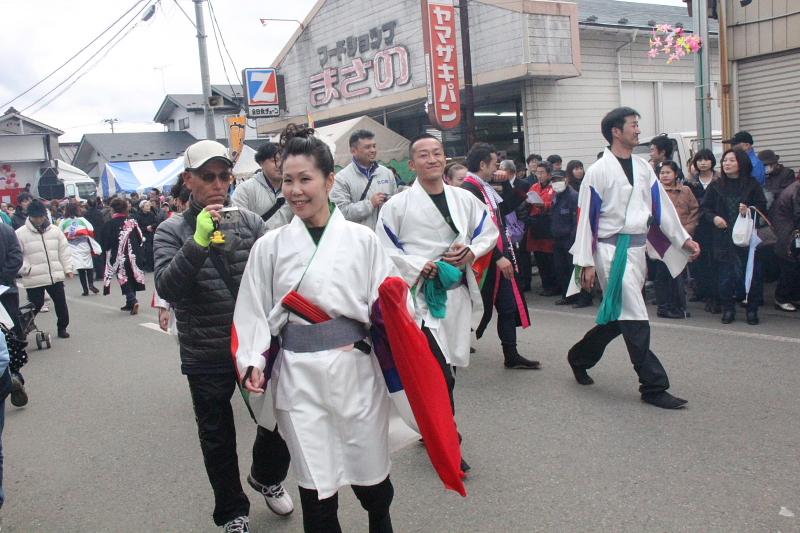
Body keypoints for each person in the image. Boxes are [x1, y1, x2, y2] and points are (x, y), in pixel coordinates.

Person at [234, 125, 406, 533]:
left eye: (305, 179)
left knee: (372, 483)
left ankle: (380, 519)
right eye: (287, 180)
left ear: (329, 180)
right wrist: (253, 360)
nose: (295, 190)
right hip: (298, 377)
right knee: (316, 492)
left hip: (356, 373)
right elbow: (252, 313)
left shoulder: (362, 240)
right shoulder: (270, 246)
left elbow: (391, 310)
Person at [154, 139, 293, 532]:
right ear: (189, 180)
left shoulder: (250, 222)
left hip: (255, 345)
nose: (218, 184)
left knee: (278, 420)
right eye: (207, 177)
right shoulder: (170, 230)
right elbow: (168, 287)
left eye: (223, 176)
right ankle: (232, 511)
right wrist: (197, 241)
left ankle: (266, 476)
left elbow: (276, 276)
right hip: (205, 350)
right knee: (216, 436)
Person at [376, 134, 501, 475]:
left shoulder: (464, 199)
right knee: (439, 374)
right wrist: (419, 265)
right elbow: (384, 249)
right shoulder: (396, 206)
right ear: (411, 164)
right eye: (422, 155)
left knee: (451, 369)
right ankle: (447, 441)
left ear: (445, 159)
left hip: (456, 294)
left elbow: (487, 231)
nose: (431, 159)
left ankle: (430, 424)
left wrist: (472, 251)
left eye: (437, 153)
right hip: (420, 299)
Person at [567, 107, 699, 410]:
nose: (639, 131)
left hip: (637, 250)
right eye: (634, 125)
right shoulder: (598, 172)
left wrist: (683, 238)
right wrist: (585, 261)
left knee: (619, 315)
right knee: (635, 313)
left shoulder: (642, 167)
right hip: (611, 251)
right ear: (616, 131)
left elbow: (662, 207)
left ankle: (579, 357)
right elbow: (585, 219)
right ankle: (653, 385)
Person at [461, 142, 540, 369]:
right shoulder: (469, 189)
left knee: (507, 306)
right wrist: (497, 256)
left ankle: (511, 354)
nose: (497, 167)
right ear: (483, 164)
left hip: (497, 255)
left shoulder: (484, 187)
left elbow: (505, 209)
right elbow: (473, 230)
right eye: (495, 163)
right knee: (470, 308)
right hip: (483, 260)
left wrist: (507, 183)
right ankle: (448, 349)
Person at [701, 148, 768, 325]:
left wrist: (749, 210)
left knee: (750, 273)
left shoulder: (752, 184)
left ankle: (752, 310)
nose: (727, 164)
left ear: (741, 163)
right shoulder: (716, 185)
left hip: (746, 237)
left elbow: (762, 207)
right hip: (723, 237)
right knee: (725, 276)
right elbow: (705, 209)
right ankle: (728, 308)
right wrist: (714, 218)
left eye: (731, 160)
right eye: (725, 160)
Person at [15, 200, 74, 339]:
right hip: (33, 275)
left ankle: (62, 328)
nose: (38, 219)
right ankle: (23, 328)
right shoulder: (20, 234)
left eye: (41, 216)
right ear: (29, 216)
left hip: (54, 274)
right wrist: (25, 269)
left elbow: (64, 250)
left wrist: (68, 268)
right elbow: (16, 255)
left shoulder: (55, 230)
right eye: (35, 216)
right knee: (35, 305)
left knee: (60, 303)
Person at [653, 161, 699, 319]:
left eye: (668, 172)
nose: (664, 175)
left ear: (676, 173)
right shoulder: (656, 191)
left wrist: (686, 232)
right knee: (663, 274)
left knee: (679, 273)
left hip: (683, 237)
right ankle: (663, 307)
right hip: (662, 240)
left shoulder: (686, 190)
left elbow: (694, 210)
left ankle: (679, 306)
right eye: (662, 172)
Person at [330, 129, 398, 229]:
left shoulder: (387, 173)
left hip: (387, 238)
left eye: (374, 146)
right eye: (367, 147)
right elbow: (341, 213)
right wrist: (370, 204)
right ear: (353, 151)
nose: (373, 150)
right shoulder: (341, 179)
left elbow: (396, 205)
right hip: (360, 240)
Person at [549, 171, 591, 307]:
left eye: (559, 180)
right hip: (558, 239)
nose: (556, 183)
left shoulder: (573, 196)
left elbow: (577, 220)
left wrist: (574, 238)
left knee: (576, 270)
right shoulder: (556, 196)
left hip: (571, 239)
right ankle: (568, 296)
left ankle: (584, 298)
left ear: (566, 180)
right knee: (562, 270)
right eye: (553, 180)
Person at [231, 141, 294, 230]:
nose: (280, 165)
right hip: (257, 242)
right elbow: (234, 223)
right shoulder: (245, 189)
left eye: (283, 160)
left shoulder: (293, 189)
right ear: (261, 163)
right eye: (274, 160)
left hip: (286, 242)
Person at [687, 149, 720, 312]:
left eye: (706, 159)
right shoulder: (690, 183)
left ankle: (714, 297)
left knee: (714, 262)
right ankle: (701, 290)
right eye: (699, 160)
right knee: (699, 262)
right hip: (698, 226)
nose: (703, 163)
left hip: (716, 225)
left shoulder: (720, 180)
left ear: (712, 162)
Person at [101, 198, 145, 315]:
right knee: (132, 276)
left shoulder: (109, 224)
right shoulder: (132, 222)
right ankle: (130, 302)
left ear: (113, 209)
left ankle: (132, 299)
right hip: (134, 253)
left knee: (123, 277)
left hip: (119, 255)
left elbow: (106, 243)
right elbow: (140, 237)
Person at [0, 222, 28, 407]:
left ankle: (10, 376)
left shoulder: (5, 230)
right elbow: (16, 257)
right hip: (6, 289)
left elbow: (16, 256)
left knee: (8, 336)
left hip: (5, 290)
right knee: (9, 336)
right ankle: (12, 375)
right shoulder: (6, 230)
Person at [526, 161, 560, 297]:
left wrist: (544, 205)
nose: (539, 175)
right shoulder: (534, 186)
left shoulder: (555, 187)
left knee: (550, 258)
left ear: (549, 174)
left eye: (542, 173)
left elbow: (555, 203)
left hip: (548, 224)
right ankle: (546, 285)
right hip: (536, 225)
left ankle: (554, 286)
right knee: (540, 258)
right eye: (537, 173)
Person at [771, 179, 800, 311]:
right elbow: (797, 213)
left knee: (793, 266)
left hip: (788, 232)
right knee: (790, 267)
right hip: (789, 234)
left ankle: (792, 296)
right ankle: (781, 298)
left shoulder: (795, 186)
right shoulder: (796, 189)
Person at [59, 203, 99, 296]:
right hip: (84, 244)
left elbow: (59, 233)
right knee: (89, 266)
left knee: (80, 268)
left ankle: (85, 290)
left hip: (72, 246)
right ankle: (91, 284)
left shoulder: (63, 221)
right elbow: (91, 229)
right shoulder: (82, 220)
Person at [136, 200, 159, 272]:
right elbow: (137, 227)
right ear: (142, 207)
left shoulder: (151, 214)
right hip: (142, 236)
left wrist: (151, 226)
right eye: (147, 206)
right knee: (146, 251)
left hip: (151, 235)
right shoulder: (138, 216)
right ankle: (146, 266)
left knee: (152, 251)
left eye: (149, 205)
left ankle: (152, 266)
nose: (149, 207)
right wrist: (146, 228)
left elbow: (156, 223)